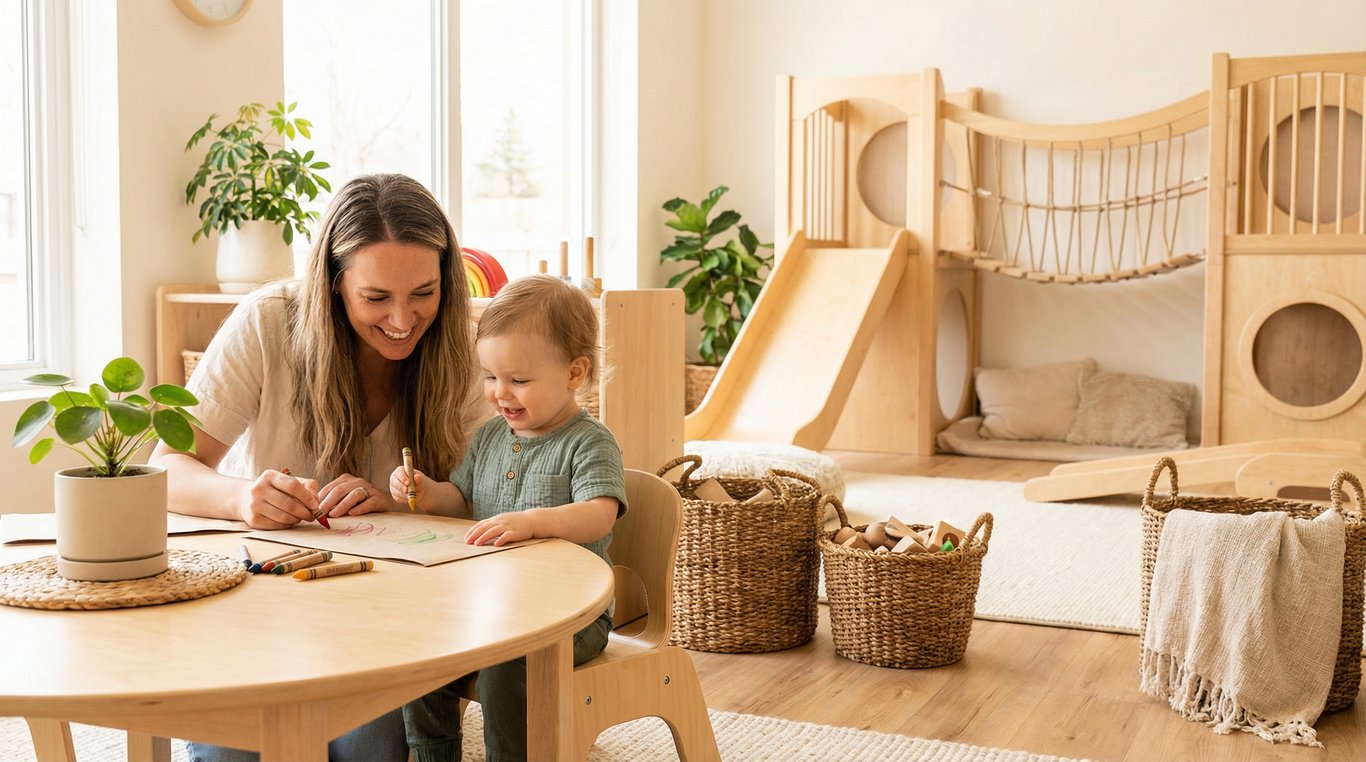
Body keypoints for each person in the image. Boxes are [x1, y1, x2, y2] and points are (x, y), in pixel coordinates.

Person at [152, 173, 488, 762]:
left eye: (424, 294)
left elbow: (486, 495)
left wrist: (409, 500)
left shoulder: (464, 349)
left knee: (368, 751)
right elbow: (166, 468)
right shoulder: (266, 322)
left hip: (397, 615)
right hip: (264, 600)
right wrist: (241, 499)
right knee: (233, 756)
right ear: (334, 284)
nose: (404, 320)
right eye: (376, 298)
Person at [391, 274, 626, 762]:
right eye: (490, 377)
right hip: (491, 608)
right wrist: (427, 493)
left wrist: (532, 521)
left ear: (574, 373)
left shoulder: (590, 441)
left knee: (506, 665)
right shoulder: (489, 437)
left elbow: (599, 516)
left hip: (569, 616)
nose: (500, 393)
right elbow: (463, 502)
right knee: (417, 647)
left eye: (518, 381)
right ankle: (435, 755)